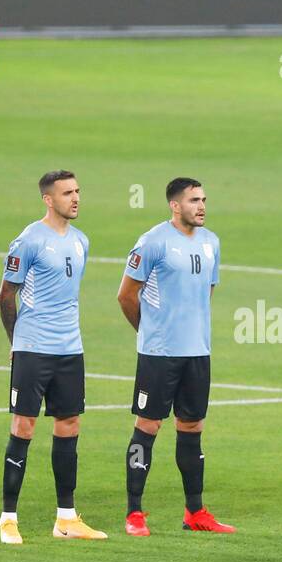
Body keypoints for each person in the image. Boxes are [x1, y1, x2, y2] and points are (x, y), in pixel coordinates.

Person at [117, 178, 236, 537]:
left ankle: (195, 511)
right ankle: (134, 513)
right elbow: (126, 295)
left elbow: (206, 294)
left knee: (192, 428)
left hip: (197, 352)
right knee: (147, 427)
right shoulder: (152, 242)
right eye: (193, 200)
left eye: (203, 200)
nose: (201, 206)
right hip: (159, 355)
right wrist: (150, 332)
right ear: (175, 205)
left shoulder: (211, 242)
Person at [0, 170, 106, 544]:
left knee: (69, 424)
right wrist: (17, 342)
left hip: (69, 349)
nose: (75, 198)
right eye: (67, 193)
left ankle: (66, 518)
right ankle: (8, 518)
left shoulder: (81, 241)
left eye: (77, 191)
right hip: (33, 348)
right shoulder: (28, 240)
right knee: (24, 427)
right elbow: (5, 295)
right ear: (48, 199)